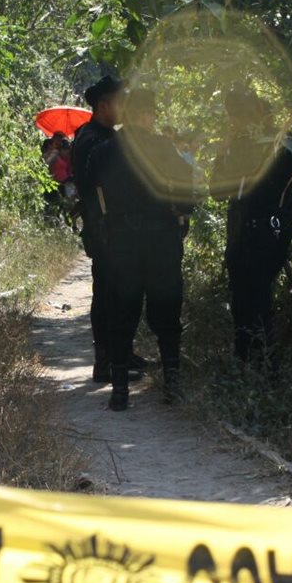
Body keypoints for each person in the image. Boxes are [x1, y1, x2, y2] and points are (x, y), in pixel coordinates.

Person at [88, 88, 195, 411]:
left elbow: (92, 197)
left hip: (121, 242)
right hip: (162, 239)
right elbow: (187, 195)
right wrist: (179, 215)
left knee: (122, 314)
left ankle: (119, 391)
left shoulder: (104, 152)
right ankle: (172, 385)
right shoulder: (164, 149)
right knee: (166, 314)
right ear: (147, 114)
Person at [212, 88, 292, 364]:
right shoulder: (283, 143)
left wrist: (224, 152)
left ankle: (251, 359)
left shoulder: (256, 146)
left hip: (254, 231)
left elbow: (217, 189)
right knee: (257, 295)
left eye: (236, 117)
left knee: (249, 297)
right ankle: (260, 358)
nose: (234, 123)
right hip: (269, 229)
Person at [72, 76, 146, 383]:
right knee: (108, 296)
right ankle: (106, 362)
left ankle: (121, 354)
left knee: (120, 293)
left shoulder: (102, 135)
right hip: (104, 232)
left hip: (115, 230)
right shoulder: (92, 140)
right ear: (104, 106)